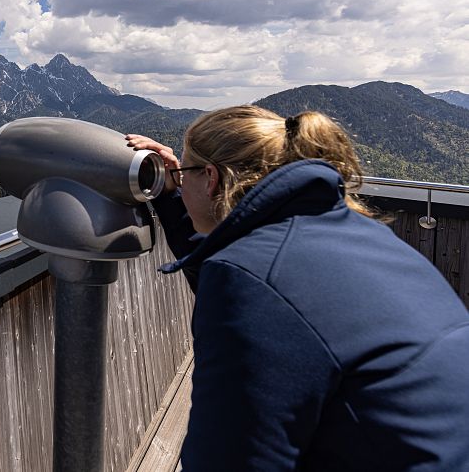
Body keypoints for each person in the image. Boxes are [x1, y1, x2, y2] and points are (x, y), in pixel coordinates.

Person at [125, 105, 469, 471]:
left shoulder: (249, 278)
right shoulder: (360, 234)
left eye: (184, 172)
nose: (179, 179)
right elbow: (254, 266)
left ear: (210, 177)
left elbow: (229, 459)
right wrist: (171, 195)